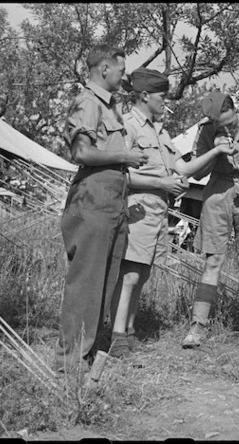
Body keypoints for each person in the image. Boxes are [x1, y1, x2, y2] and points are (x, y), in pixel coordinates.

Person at [109, 69, 238, 358]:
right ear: (144, 96)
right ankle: (116, 338)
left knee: (142, 275)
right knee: (128, 276)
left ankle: (128, 333)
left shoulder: (160, 130)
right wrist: (161, 182)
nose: (165, 102)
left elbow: (183, 169)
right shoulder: (126, 125)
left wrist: (217, 153)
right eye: (161, 96)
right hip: (137, 209)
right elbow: (119, 174)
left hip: (158, 212)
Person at [55, 45, 149, 373]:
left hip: (113, 206)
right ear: (105, 68)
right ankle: (70, 366)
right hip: (93, 204)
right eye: (121, 71)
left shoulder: (110, 107)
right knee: (85, 287)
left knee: (104, 286)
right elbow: (81, 153)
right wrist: (124, 156)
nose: (123, 77)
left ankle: (88, 356)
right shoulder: (87, 102)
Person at [181, 91, 239, 352]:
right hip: (217, 191)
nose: (220, 126)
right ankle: (198, 325)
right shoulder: (208, 130)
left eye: (223, 121)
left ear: (233, 109)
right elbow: (197, 172)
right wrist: (216, 149)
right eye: (214, 122)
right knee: (213, 260)